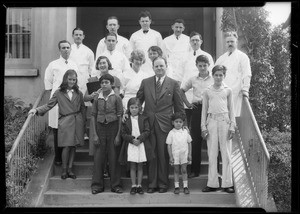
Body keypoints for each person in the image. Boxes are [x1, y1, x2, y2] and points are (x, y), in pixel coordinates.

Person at [136, 56, 185, 193]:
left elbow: (179, 106)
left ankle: (163, 184)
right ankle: (152, 185)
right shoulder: (145, 82)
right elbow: (138, 102)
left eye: (161, 66)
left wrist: (183, 124)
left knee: (163, 155)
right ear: (152, 67)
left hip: (166, 124)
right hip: (149, 123)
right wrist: (132, 115)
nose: (159, 68)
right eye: (156, 66)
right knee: (151, 154)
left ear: (166, 66)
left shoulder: (173, 83)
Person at [29, 69, 85, 179]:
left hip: (77, 120)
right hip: (65, 121)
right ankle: (64, 170)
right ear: (65, 79)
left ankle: (70, 169)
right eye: (70, 79)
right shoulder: (59, 92)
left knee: (73, 146)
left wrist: (83, 122)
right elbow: (49, 105)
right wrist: (36, 110)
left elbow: (83, 107)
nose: (72, 82)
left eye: (74, 79)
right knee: (66, 146)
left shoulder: (79, 93)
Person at [201, 65, 236, 194]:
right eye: (216, 75)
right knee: (212, 154)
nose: (218, 77)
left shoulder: (228, 90)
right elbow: (204, 110)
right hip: (211, 122)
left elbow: (232, 109)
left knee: (226, 153)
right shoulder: (207, 91)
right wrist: (203, 127)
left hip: (225, 122)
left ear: (224, 76)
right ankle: (212, 184)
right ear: (213, 75)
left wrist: (232, 126)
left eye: (221, 75)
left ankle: (227, 184)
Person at [44, 40, 78, 166]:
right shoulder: (53, 64)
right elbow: (48, 81)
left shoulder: (74, 64)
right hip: (57, 98)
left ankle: (69, 158)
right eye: (63, 48)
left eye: (68, 47)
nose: (66, 50)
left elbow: (76, 81)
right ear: (59, 50)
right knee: (57, 127)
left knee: (69, 126)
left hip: (70, 98)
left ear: (70, 49)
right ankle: (58, 156)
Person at [180, 55, 214, 178]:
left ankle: (214, 171)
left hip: (211, 110)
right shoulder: (193, 79)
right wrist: (188, 104)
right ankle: (195, 170)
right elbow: (181, 91)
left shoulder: (214, 78)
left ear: (208, 65)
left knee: (212, 140)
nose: (202, 68)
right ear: (196, 66)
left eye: (205, 65)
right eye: (200, 65)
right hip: (197, 109)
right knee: (196, 140)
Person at [178, 31, 214, 142]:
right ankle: (190, 150)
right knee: (190, 125)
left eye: (197, 40)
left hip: (202, 96)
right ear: (189, 42)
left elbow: (211, 75)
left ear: (201, 42)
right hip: (188, 96)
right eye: (193, 40)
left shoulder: (207, 56)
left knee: (206, 126)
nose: (195, 42)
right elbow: (179, 74)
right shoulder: (184, 56)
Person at [90, 73, 123, 194]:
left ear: (111, 84)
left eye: (106, 82)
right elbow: (93, 116)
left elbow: (120, 116)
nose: (104, 85)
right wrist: (94, 134)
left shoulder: (117, 98)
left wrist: (118, 134)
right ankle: (97, 185)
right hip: (100, 129)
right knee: (98, 158)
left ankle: (116, 185)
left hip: (113, 128)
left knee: (113, 157)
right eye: (102, 83)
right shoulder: (96, 98)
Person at [119, 97, 153, 195]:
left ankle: (139, 185)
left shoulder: (144, 118)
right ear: (128, 108)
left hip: (141, 144)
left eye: (136, 107)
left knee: (140, 166)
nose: (134, 109)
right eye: (132, 107)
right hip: (131, 144)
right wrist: (131, 139)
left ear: (139, 108)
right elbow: (123, 133)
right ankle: (133, 185)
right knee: (133, 166)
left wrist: (140, 139)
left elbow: (147, 131)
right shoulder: (126, 119)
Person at [215, 31, 252, 117]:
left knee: (234, 117)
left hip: (236, 92)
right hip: (222, 92)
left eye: (232, 41)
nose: (230, 44)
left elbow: (247, 74)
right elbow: (214, 74)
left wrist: (245, 89)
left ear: (236, 42)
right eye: (228, 42)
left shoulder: (242, 57)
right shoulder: (221, 58)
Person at [69, 27, 95, 140]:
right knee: (72, 106)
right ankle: (73, 133)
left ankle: (84, 132)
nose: (78, 36)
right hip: (71, 81)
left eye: (80, 35)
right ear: (73, 36)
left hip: (83, 81)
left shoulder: (88, 51)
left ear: (83, 36)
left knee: (83, 108)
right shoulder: (68, 49)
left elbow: (91, 69)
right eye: (76, 34)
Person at [166, 112, 192, 195]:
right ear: (172, 122)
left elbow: (189, 143)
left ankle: (185, 186)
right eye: (176, 121)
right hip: (175, 155)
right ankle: (176, 187)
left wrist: (189, 154)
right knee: (176, 170)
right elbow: (169, 145)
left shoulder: (185, 132)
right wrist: (170, 156)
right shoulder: (171, 133)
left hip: (184, 154)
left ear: (183, 123)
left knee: (184, 170)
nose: (178, 123)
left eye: (180, 122)